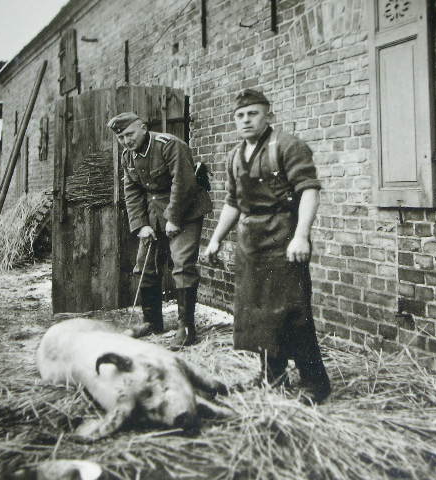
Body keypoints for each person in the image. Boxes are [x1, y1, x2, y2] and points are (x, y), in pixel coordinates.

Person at [204, 89, 330, 404]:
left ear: (268, 115)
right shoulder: (235, 156)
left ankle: (315, 382)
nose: (246, 120)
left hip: (283, 238)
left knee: (293, 313)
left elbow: (309, 190)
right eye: (240, 116)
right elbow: (233, 202)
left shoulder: (287, 146)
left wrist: (301, 235)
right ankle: (272, 376)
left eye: (253, 114)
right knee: (258, 313)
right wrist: (216, 238)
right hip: (251, 243)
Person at [107, 112, 212, 349]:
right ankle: (152, 322)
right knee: (145, 265)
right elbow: (132, 191)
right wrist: (141, 224)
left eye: (130, 134)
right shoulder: (128, 156)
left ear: (143, 128)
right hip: (155, 212)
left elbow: (183, 183)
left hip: (186, 210)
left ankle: (186, 329)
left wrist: (173, 218)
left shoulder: (169, 145)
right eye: (121, 138)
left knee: (182, 264)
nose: (126, 141)